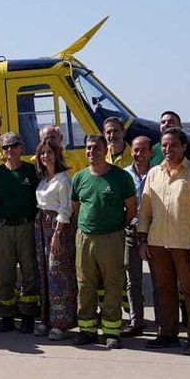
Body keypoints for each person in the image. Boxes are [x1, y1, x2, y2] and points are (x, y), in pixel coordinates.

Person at [137, 127, 190, 355]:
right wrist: (143, 240)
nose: (168, 149)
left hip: (186, 245)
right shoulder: (154, 174)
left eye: (173, 145)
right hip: (158, 242)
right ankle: (167, 334)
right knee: (163, 290)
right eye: (164, 145)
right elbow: (146, 212)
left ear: (183, 147)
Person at [69, 133, 138, 348]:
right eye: (88, 148)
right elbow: (76, 208)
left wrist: (116, 227)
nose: (92, 152)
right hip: (85, 237)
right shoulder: (79, 178)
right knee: (85, 285)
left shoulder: (120, 177)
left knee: (112, 283)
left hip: (111, 238)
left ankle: (111, 331)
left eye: (96, 148)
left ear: (105, 149)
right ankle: (87, 330)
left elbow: (131, 209)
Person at [0, 131, 40, 333]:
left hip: (26, 226)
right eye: (5, 147)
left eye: (13, 146)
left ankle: (28, 315)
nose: (9, 150)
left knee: (29, 271)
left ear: (21, 147)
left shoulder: (31, 171)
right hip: (4, 228)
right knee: (4, 273)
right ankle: (7, 315)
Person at [32, 126, 77, 339]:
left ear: (56, 154)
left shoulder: (63, 179)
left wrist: (57, 234)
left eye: (49, 153)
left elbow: (65, 208)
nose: (45, 156)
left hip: (58, 229)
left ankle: (62, 322)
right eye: (42, 153)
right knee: (45, 274)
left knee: (59, 273)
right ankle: (46, 319)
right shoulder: (43, 180)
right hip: (41, 227)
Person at [121, 134, 154, 337]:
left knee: (160, 280)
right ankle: (136, 321)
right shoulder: (124, 175)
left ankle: (164, 322)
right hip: (130, 232)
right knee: (132, 280)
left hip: (155, 233)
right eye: (135, 149)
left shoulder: (159, 173)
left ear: (151, 152)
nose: (139, 153)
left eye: (143, 150)